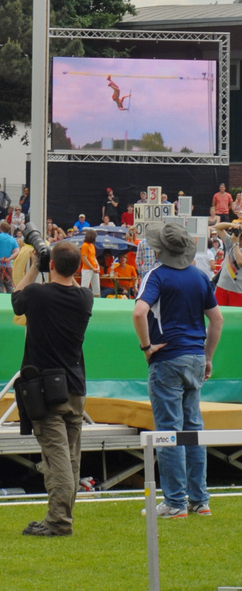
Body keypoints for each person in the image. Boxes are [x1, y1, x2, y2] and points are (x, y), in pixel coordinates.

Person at [133, 221, 223, 518]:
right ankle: (199, 499)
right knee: (193, 429)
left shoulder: (156, 276)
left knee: (169, 430)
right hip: (195, 356)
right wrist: (207, 356)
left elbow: (139, 312)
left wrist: (147, 347)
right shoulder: (200, 277)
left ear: (159, 250)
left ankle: (174, 502)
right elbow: (217, 320)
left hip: (168, 357)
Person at [12, 240, 94, 537]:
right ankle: (60, 516)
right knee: (70, 459)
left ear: (52, 266)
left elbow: (17, 297)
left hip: (46, 392)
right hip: (75, 389)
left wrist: (36, 265)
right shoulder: (85, 298)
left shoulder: (37, 294)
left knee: (57, 460)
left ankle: (59, 522)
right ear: (80, 267)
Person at [214, 224, 242, 306]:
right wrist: (232, 225)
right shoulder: (231, 242)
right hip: (222, 286)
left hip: (237, 290)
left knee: (235, 317)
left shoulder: (233, 243)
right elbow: (218, 227)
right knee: (219, 314)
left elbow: (239, 261)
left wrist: (235, 244)